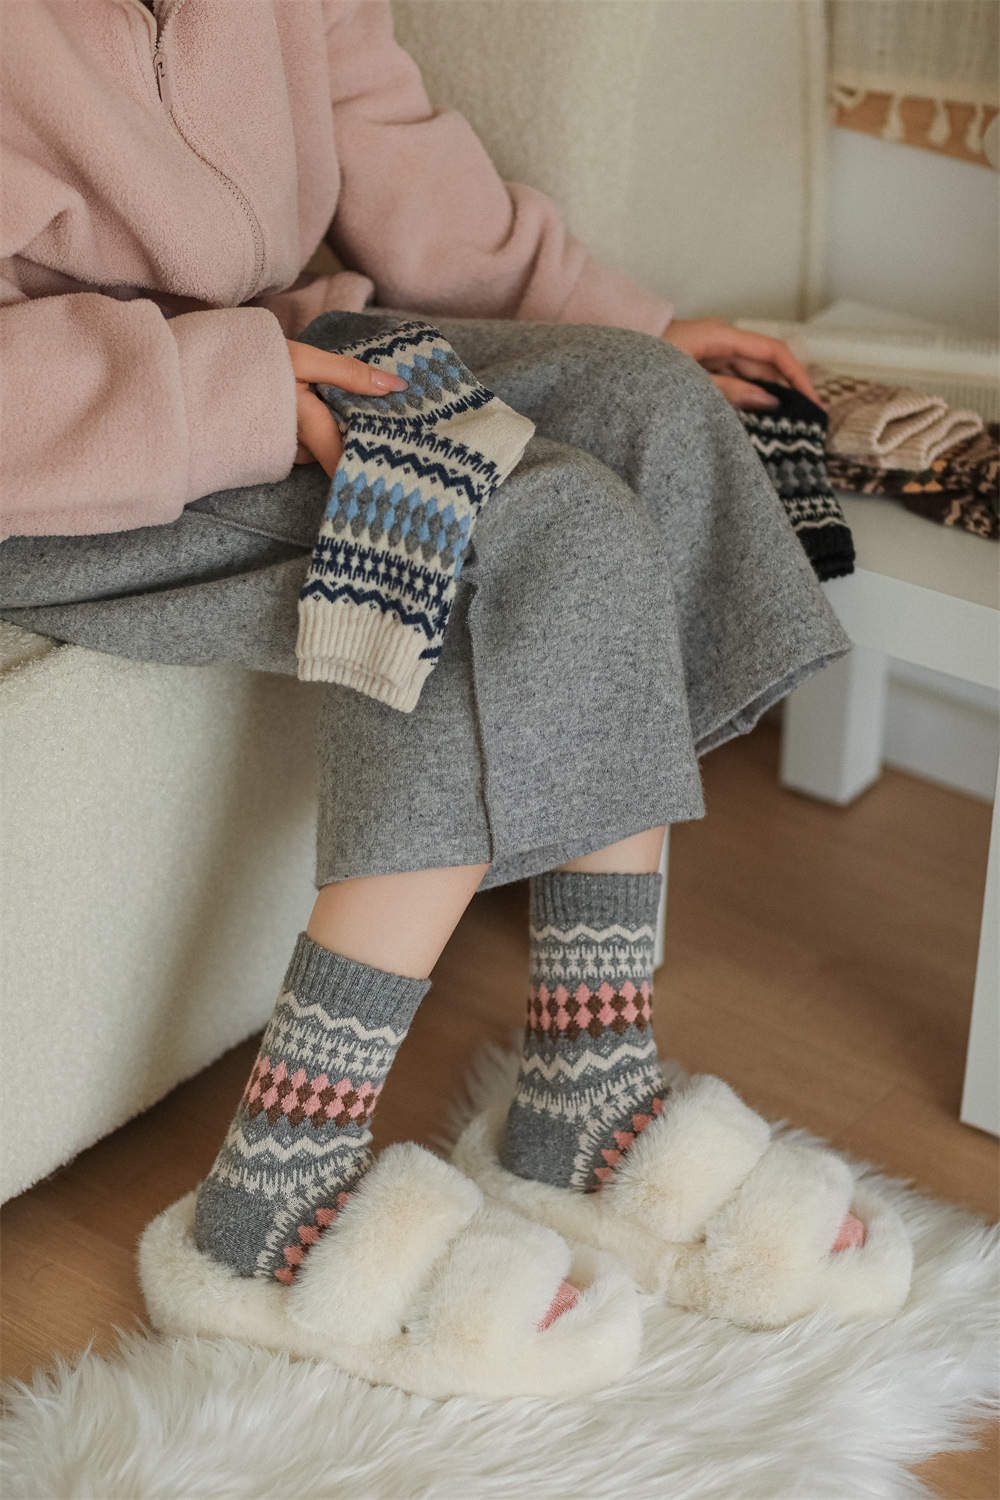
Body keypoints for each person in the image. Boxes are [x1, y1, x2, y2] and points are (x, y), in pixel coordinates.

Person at [0, 1, 912, 1399]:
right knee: (518, 527)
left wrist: (643, 324)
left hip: (287, 352)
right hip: (78, 447)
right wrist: (217, 391)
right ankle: (275, 1192)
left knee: (651, 409)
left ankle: (586, 1088)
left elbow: (384, 134)